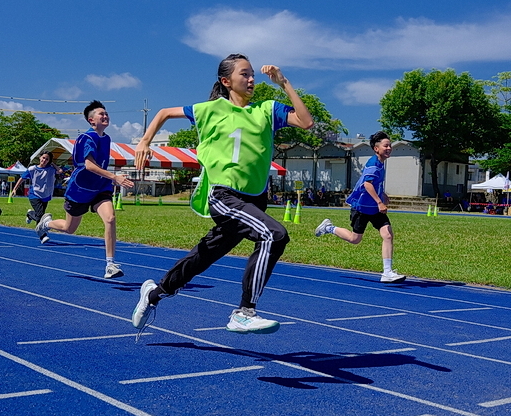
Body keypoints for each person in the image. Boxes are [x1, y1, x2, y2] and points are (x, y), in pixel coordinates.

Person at [131, 54, 314, 335]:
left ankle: (155, 293)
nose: (251, 79)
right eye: (245, 74)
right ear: (226, 81)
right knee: (274, 235)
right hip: (224, 196)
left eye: (253, 74)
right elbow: (164, 112)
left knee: (204, 256)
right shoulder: (209, 110)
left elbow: (305, 121)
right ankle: (245, 312)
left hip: (254, 199)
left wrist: (284, 82)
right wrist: (144, 141)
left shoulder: (267, 110)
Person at [36, 101, 134, 277]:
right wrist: (115, 177)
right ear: (91, 120)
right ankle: (46, 223)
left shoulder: (107, 139)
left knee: (110, 219)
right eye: (101, 114)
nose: (105, 116)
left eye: (106, 114)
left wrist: (110, 178)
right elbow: (89, 165)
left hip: (100, 187)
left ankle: (110, 265)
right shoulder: (85, 139)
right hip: (80, 189)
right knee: (69, 228)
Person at [315, 131, 405, 283]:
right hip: (362, 208)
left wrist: (382, 195)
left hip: (374, 210)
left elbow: (374, 184)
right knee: (354, 239)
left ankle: (387, 272)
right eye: (386, 146)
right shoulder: (373, 165)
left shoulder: (381, 163)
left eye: (390, 145)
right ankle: (329, 228)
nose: (389, 148)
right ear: (376, 149)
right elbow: (367, 184)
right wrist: (380, 202)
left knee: (388, 235)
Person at [10, 151, 62, 243]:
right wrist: (14, 189)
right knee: (40, 215)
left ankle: (30, 214)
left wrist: (52, 164)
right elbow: (22, 178)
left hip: (46, 195)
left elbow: (60, 171)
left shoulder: (51, 169)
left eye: (47, 159)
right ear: (39, 158)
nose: (44, 160)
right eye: (43, 158)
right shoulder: (32, 169)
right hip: (35, 194)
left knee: (40, 216)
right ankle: (42, 236)